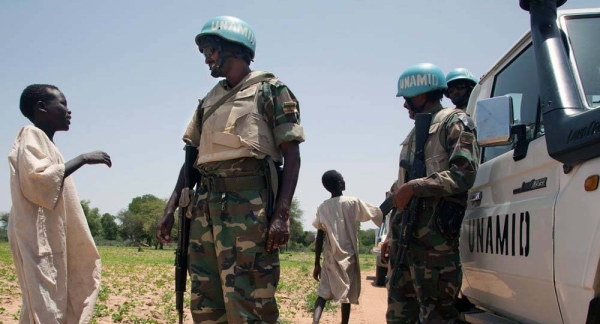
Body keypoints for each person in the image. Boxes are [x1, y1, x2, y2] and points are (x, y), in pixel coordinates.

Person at [156, 16, 305, 323]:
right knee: (206, 300)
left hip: (250, 209)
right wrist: (171, 208)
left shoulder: (272, 91)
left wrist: (282, 214)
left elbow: (293, 156)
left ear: (235, 48)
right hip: (204, 208)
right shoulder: (207, 102)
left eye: (210, 50)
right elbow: (192, 160)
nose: (207, 59)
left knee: (249, 300)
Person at [383, 63, 479, 323]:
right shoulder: (413, 135)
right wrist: (390, 237)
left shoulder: (454, 123)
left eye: (406, 99)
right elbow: (401, 186)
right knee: (399, 314)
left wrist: (416, 187)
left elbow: (464, 174)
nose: (404, 105)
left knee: (438, 316)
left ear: (422, 95)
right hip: (405, 241)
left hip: (435, 246)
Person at [8, 84, 112, 323]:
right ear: (42, 107)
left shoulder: (48, 144)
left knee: (51, 300)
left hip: (48, 237)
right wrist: (84, 158)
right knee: (44, 302)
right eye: (63, 104)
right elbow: (39, 179)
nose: (69, 111)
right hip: (37, 238)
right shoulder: (29, 134)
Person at [312, 170, 383, 324]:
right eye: (342, 180)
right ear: (339, 184)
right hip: (348, 255)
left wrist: (317, 262)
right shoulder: (352, 202)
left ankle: (315, 322)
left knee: (323, 293)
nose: (344, 182)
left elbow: (319, 236)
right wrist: (391, 203)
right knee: (346, 294)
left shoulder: (323, 207)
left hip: (330, 256)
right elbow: (375, 213)